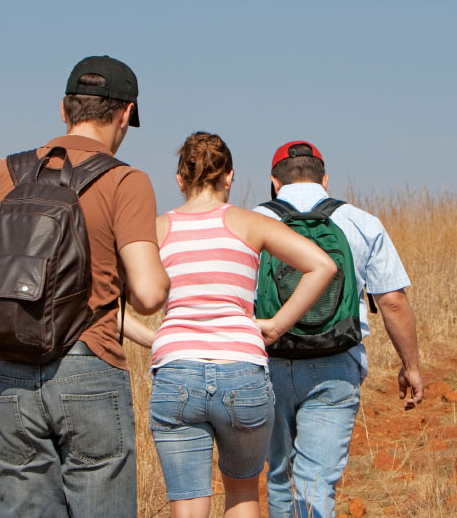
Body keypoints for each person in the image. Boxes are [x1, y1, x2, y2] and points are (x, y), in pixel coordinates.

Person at [0, 55, 170, 518]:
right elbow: (148, 294)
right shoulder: (126, 180)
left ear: (64, 109)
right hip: (89, 366)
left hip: (13, 373)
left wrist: (14, 282)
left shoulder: (1, 173)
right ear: (125, 114)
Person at [122, 132, 336, 518]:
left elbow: (106, 303)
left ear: (180, 180)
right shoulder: (250, 223)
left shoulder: (154, 232)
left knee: (187, 503)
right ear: (230, 177)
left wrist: (158, 339)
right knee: (242, 493)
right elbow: (323, 265)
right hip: (242, 371)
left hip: (176, 371)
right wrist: (275, 326)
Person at [253, 140, 424, 518]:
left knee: (279, 476)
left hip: (267, 364)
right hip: (336, 364)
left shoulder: (248, 221)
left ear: (273, 182)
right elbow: (393, 301)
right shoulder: (361, 222)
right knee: (316, 482)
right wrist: (410, 366)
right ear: (325, 179)